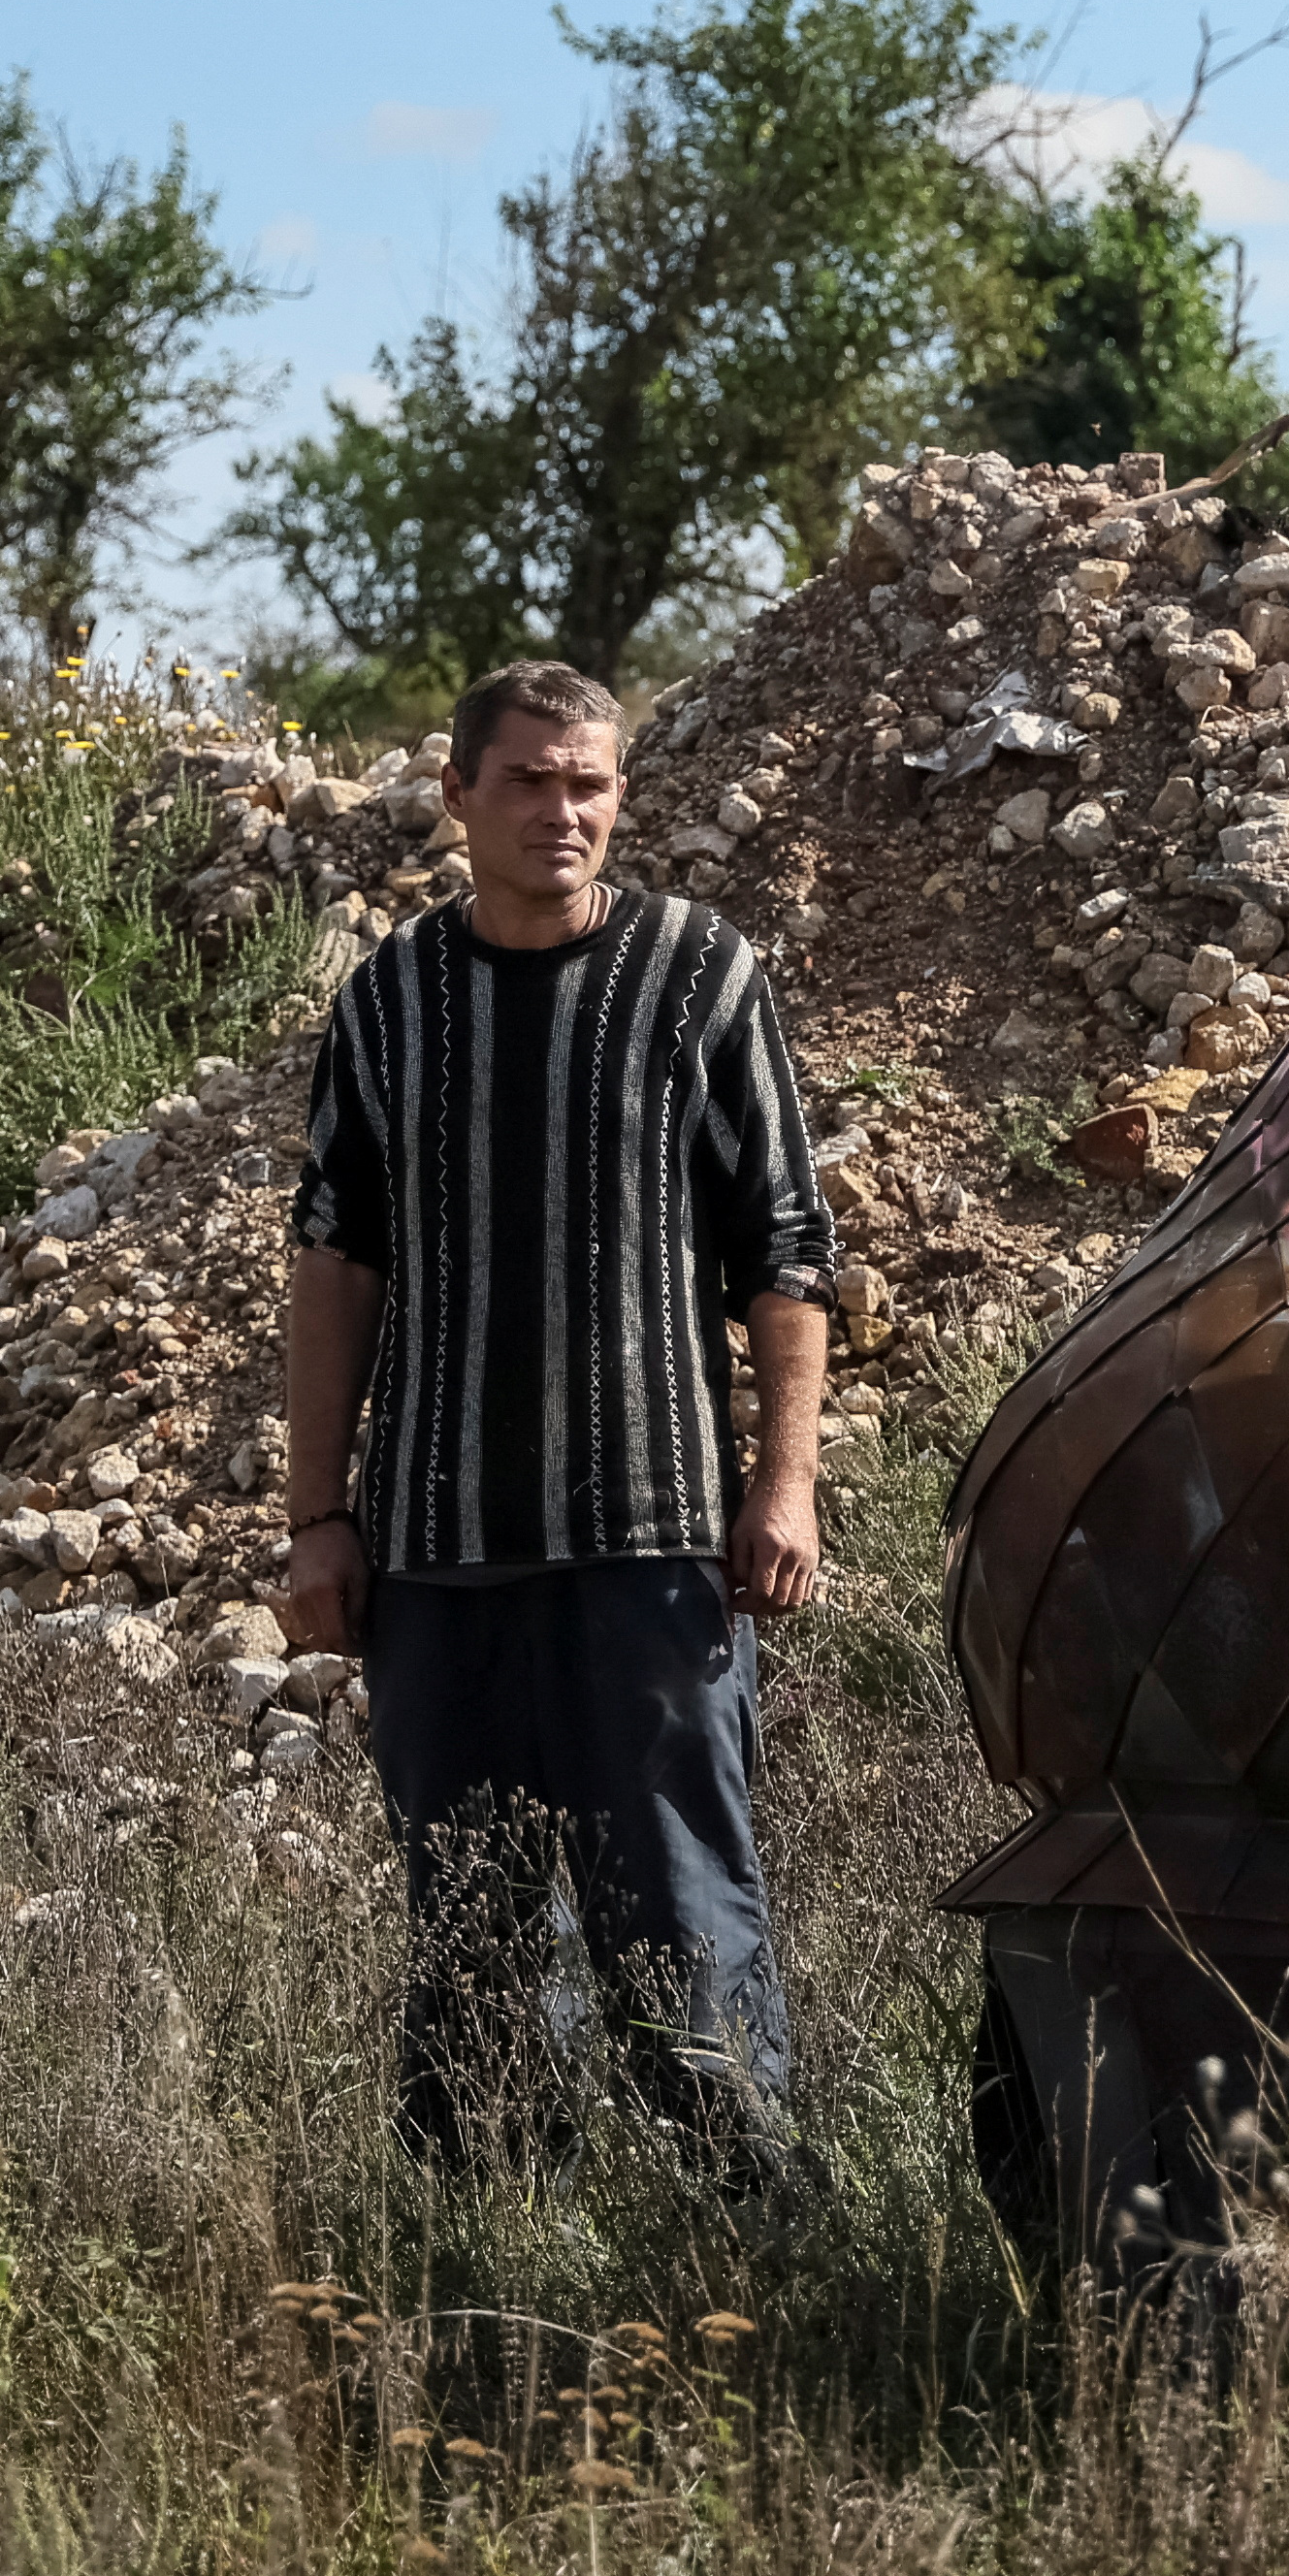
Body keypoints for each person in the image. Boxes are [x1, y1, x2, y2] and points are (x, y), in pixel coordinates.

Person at [279, 658, 838, 2176]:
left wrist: (781, 1489)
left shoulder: (700, 975)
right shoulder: (391, 1001)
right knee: (464, 1950)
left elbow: (788, 1251)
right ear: (457, 793)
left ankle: (762, 2254)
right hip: (436, 1558)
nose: (561, 810)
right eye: (526, 779)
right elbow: (334, 1260)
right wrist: (316, 1518)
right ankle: (488, 2289)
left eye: (587, 780)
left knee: (682, 1936)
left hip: (646, 1552)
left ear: (621, 793)